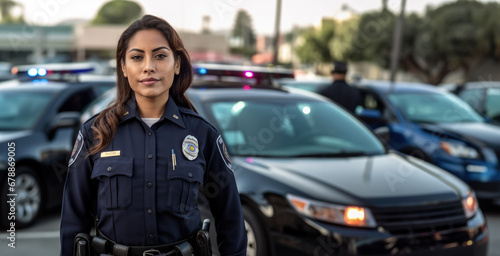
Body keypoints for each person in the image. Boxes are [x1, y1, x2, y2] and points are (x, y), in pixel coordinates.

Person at [60, 15, 247, 256]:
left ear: (177, 64)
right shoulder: (95, 133)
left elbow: (229, 216)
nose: (149, 66)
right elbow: (73, 219)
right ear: (124, 67)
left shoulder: (202, 134)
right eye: (137, 57)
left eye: (160, 55)